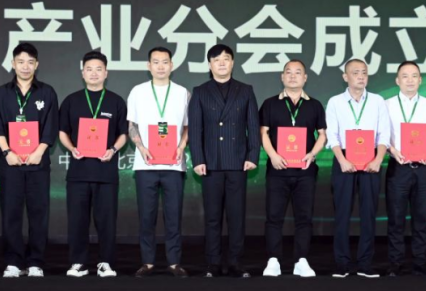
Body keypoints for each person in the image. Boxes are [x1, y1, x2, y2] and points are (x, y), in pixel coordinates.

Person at [188, 44, 260, 278]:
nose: (221, 63)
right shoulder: (200, 91)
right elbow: (195, 129)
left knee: (236, 216)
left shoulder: (245, 90)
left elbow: (253, 126)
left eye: (226, 59)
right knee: (212, 216)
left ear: (232, 63)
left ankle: (236, 262)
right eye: (216, 59)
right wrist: (198, 159)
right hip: (210, 163)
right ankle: (213, 263)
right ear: (209, 64)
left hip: (238, 161)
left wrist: (252, 155)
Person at [0, 42, 58, 278]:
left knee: (39, 214)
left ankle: (36, 262)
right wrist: (7, 152)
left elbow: (51, 126)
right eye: (20, 62)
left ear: (37, 64)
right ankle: (13, 261)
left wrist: (39, 151)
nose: (25, 66)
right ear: (13, 64)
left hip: (38, 164)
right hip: (11, 164)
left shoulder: (47, 92)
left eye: (30, 62)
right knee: (11, 213)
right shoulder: (2, 93)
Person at [58, 51, 128, 278]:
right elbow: (62, 131)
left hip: (106, 173)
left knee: (107, 221)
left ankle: (106, 262)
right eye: (89, 69)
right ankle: (78, 262)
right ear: (82, 73)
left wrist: (113, 150)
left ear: (106, 73)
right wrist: (72, 148)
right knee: (77, 221)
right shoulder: (71, 101)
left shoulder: (116, 101)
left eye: (99, 69)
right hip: (78, 173)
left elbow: (123, 134)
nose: (94, 73)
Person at [259, 59, 327, 277]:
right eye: (288, 72)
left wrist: (312, 154)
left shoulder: (315, 105)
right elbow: (263, 133)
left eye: (298, 72)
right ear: (282, 77)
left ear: (305, 78)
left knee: (304, 218)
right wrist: (273, 155)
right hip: (277, 170)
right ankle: (273, 260)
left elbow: (322, 135)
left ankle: (301, 260)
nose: (293, 76)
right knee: (274, 217)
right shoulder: (270, 104)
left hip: (305, 171)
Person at [127, 47, 190, 277]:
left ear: (172, 65)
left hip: (174, 164)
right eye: (156, 62)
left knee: (173, 215)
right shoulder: (138, 91)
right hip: (146, 164)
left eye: (165, 62)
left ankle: (174, 262)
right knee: (147, 215)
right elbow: (131, 125)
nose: (161, 66)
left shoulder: (183, 93)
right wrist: (141, 147)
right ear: (149, 66)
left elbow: (188, 126)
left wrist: (181, 146)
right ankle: (148, 262)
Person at [325, 59, 391, 278]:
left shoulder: (378, 101)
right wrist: (342, 160)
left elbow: (384, 133)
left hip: (371, 160)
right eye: (355, 73)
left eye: (364, 72)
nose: (361, 76)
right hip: (344, 159)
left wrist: (378, 159)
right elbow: (332, 134)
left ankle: (365, 264)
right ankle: (342, 263)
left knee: (368, 213)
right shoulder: (335, 102)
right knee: (342, 213)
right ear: (345, 77)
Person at [384, 61, 426, 277]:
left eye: (414, 76)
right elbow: (380, 135)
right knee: (395, 218)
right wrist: (391, 150)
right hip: (398, 167)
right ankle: (395, 264)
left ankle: (421, 263)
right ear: (397, 80)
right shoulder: (386, 105)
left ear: (420, 80)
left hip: (423, 168)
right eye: (405, 76)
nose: (410, 80)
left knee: (422, 218)